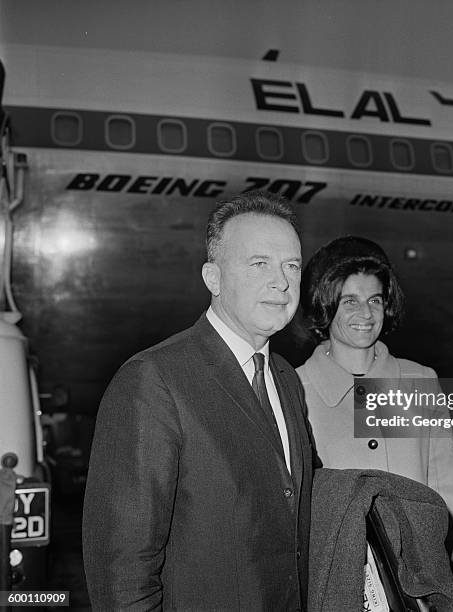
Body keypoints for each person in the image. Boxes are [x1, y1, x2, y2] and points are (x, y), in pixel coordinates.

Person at [83, 191, 314, 611]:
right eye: (259, 263)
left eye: (291, 266)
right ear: (213, 277)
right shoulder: (153, 380)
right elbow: (123, 568)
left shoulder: (286, 380)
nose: (281, 281)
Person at [296, 236, 453, 596]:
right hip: (337, 586)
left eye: (375, 300)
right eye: (350, 301)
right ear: (325, 305)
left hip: (421, 586)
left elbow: (448, 494)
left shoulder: (419, 381)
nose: (365, 314)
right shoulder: (294, 389)